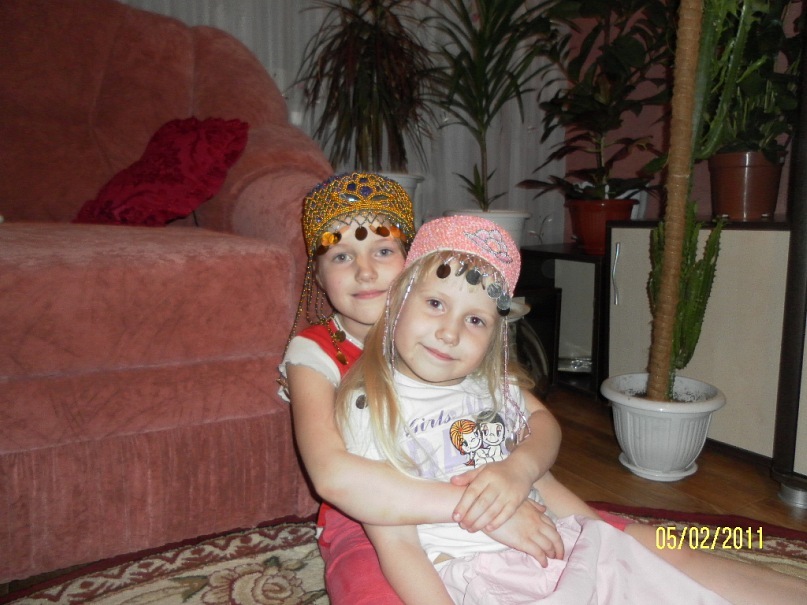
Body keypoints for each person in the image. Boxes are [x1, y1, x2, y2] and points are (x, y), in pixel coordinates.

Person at [335, 215, 807, 605]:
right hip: (490, 575)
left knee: (676, 582)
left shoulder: (490, 388)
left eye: (475, 319)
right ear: (398, 302)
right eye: (436, 303)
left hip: (559, 542)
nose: (449, 332)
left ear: (495, 337)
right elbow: (396, 543)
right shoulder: (370, 407)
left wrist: (523, 471)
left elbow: (544, 430)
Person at [280, 173, 565, 605]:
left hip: (477, 483)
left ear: (412, 262)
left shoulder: (443, 336)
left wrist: (520, 477)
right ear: (317, 275)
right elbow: (332, 475)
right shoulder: (316, 350)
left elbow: (533, 422)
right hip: (366, 518)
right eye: (340, 256)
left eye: (383, 250)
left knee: (594, 540)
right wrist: (481, 509)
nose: (365, 271)